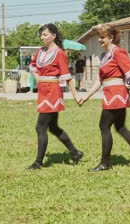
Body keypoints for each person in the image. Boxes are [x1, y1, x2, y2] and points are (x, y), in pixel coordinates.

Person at [78, 23, 130, 172]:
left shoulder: (118, 52)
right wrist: (86, 96)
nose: (100, 40)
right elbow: (100, 80)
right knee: (120, 127)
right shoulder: (105, 56)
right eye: (99, 37)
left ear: (111, 37)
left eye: (103, 37)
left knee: (104, 126)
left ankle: (105, 163)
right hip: (111, 93)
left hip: (116, 94)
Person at [27, 23, 83, 170]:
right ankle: (75, 153)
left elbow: (67, 76)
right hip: (43, 91)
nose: (42, 37)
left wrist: (75, 95)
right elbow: (32, 66)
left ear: (54, 36)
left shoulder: (59, 53)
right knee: (53, 127)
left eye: (44, 35)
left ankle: (38, 163)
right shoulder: (40, 51)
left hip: (52, 92)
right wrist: (38, 79)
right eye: (41, 35)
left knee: (40, 127)